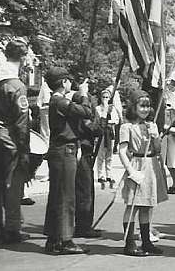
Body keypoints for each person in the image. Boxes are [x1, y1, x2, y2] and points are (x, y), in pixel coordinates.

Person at [43, 67, 92, 255]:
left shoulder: (57, 101)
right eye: (68, 80)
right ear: (64, 82)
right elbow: (86, 112)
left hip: (61, 151)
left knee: (57, 195)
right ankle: (65, 239)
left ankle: (54, 238)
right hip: (64, 151)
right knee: (66, 197)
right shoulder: (60, 101)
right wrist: (84, 95)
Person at [118, 89, 168, 256]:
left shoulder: (151, 125)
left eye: (148, 106)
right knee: (133, 205)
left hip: (151, 165)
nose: (146, 109)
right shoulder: (127, 127)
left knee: (146, 206)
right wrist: (131, 171)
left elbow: (158, 149)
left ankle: (146, 242)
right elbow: (122, 151)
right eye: (142, 106)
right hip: (137, 165)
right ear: (133, 107)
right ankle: (129, 243)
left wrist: (155, 137)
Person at [0, 39, 30, 243]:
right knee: (13, 185)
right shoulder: (17, 85)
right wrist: (24, 150)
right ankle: (13, 229)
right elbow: (21, 123)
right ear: (23, 58)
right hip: (11, 141)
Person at [72, 90, 103, 238]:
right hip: (82, 152)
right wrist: (101, 120)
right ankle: (83, 227)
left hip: (85, 152)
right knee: (85, 192)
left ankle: (85, 224)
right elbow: (94, 129)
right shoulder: (82, 117)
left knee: (86, 190)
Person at [96, 89, 120, 189]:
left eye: (107, 97)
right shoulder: (98, 108)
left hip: (110, 132)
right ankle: (100, 175)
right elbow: (100, 119)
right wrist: (105, 110)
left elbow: (116, 120)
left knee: (109, 155)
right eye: (103, 97)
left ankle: (109, 174)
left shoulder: (112, 108)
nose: (105, 99)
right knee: (101, 155)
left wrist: (110, 121)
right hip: (102, 133)